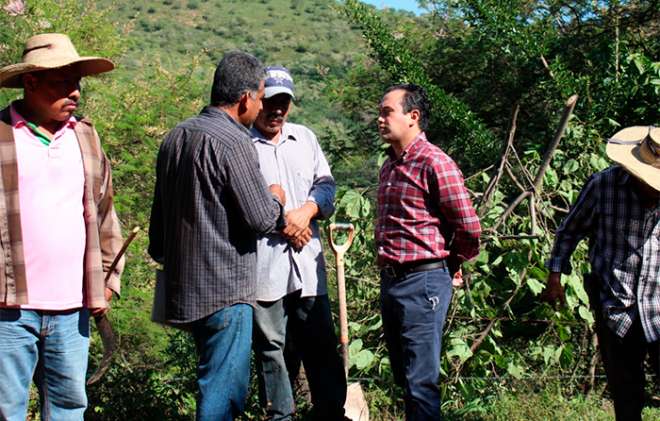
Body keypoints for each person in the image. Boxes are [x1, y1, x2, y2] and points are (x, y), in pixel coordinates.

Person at [148, 51, 286, 421]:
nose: (260, 107)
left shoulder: (176, 136)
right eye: (259, 97)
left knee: (210, 381)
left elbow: (158, 226)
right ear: (244, 98)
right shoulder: (234, 141)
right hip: (224, 291)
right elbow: (261, 219)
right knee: (222, 396)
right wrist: (276, 198)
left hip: (183, 289)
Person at [0, 33, 124, 420]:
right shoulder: (2, 135)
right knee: (7, 409)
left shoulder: (84, 137)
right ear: (31, 83)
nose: (75, 92)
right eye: (62, 82)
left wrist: (108, 277)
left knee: (70, 406)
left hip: (73, 308)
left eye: (77, 82)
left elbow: (105, 212)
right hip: (9, 308)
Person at [375, 84, 481, 420]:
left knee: (421, 382)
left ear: (413, 117)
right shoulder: (389, 167)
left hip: (423, 282)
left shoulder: (435, 162)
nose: (379, 119)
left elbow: (469, 227)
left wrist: (452, 263)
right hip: (392, 281)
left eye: (386, 112)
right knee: (405, 378)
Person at [542, 126, 660, 421]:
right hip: (617, 307)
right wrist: (555, 275)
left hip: (659, 307)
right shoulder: (603, 186)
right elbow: (569, 230)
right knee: (626, 394)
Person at [250, 66, 346, 421]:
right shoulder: (242, 145)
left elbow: (327, 187)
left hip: (308, 267)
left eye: (284, 103)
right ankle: (280, 416)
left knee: (321, 344)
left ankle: (330, 413)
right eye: (271, 101)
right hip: (264, 270)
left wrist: (306, 211)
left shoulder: (304, 138)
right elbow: (239, 202)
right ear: (257, 100)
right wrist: (286, 223)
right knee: (272, 348)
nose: (277, 110)